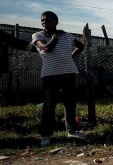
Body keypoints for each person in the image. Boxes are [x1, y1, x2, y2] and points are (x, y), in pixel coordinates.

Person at [32, 11, 85, 146]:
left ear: (56, 21)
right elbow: (47, 48)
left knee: (70, 104)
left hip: (69, 73)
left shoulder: (66, 35)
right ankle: (46, 135)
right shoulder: (38, 35)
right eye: (42, 20)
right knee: (49, 106)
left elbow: (81, 46)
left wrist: (70, 56)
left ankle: (72, 131)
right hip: (50, 75)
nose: (44, 22)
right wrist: (55, 37)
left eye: (48, 19)